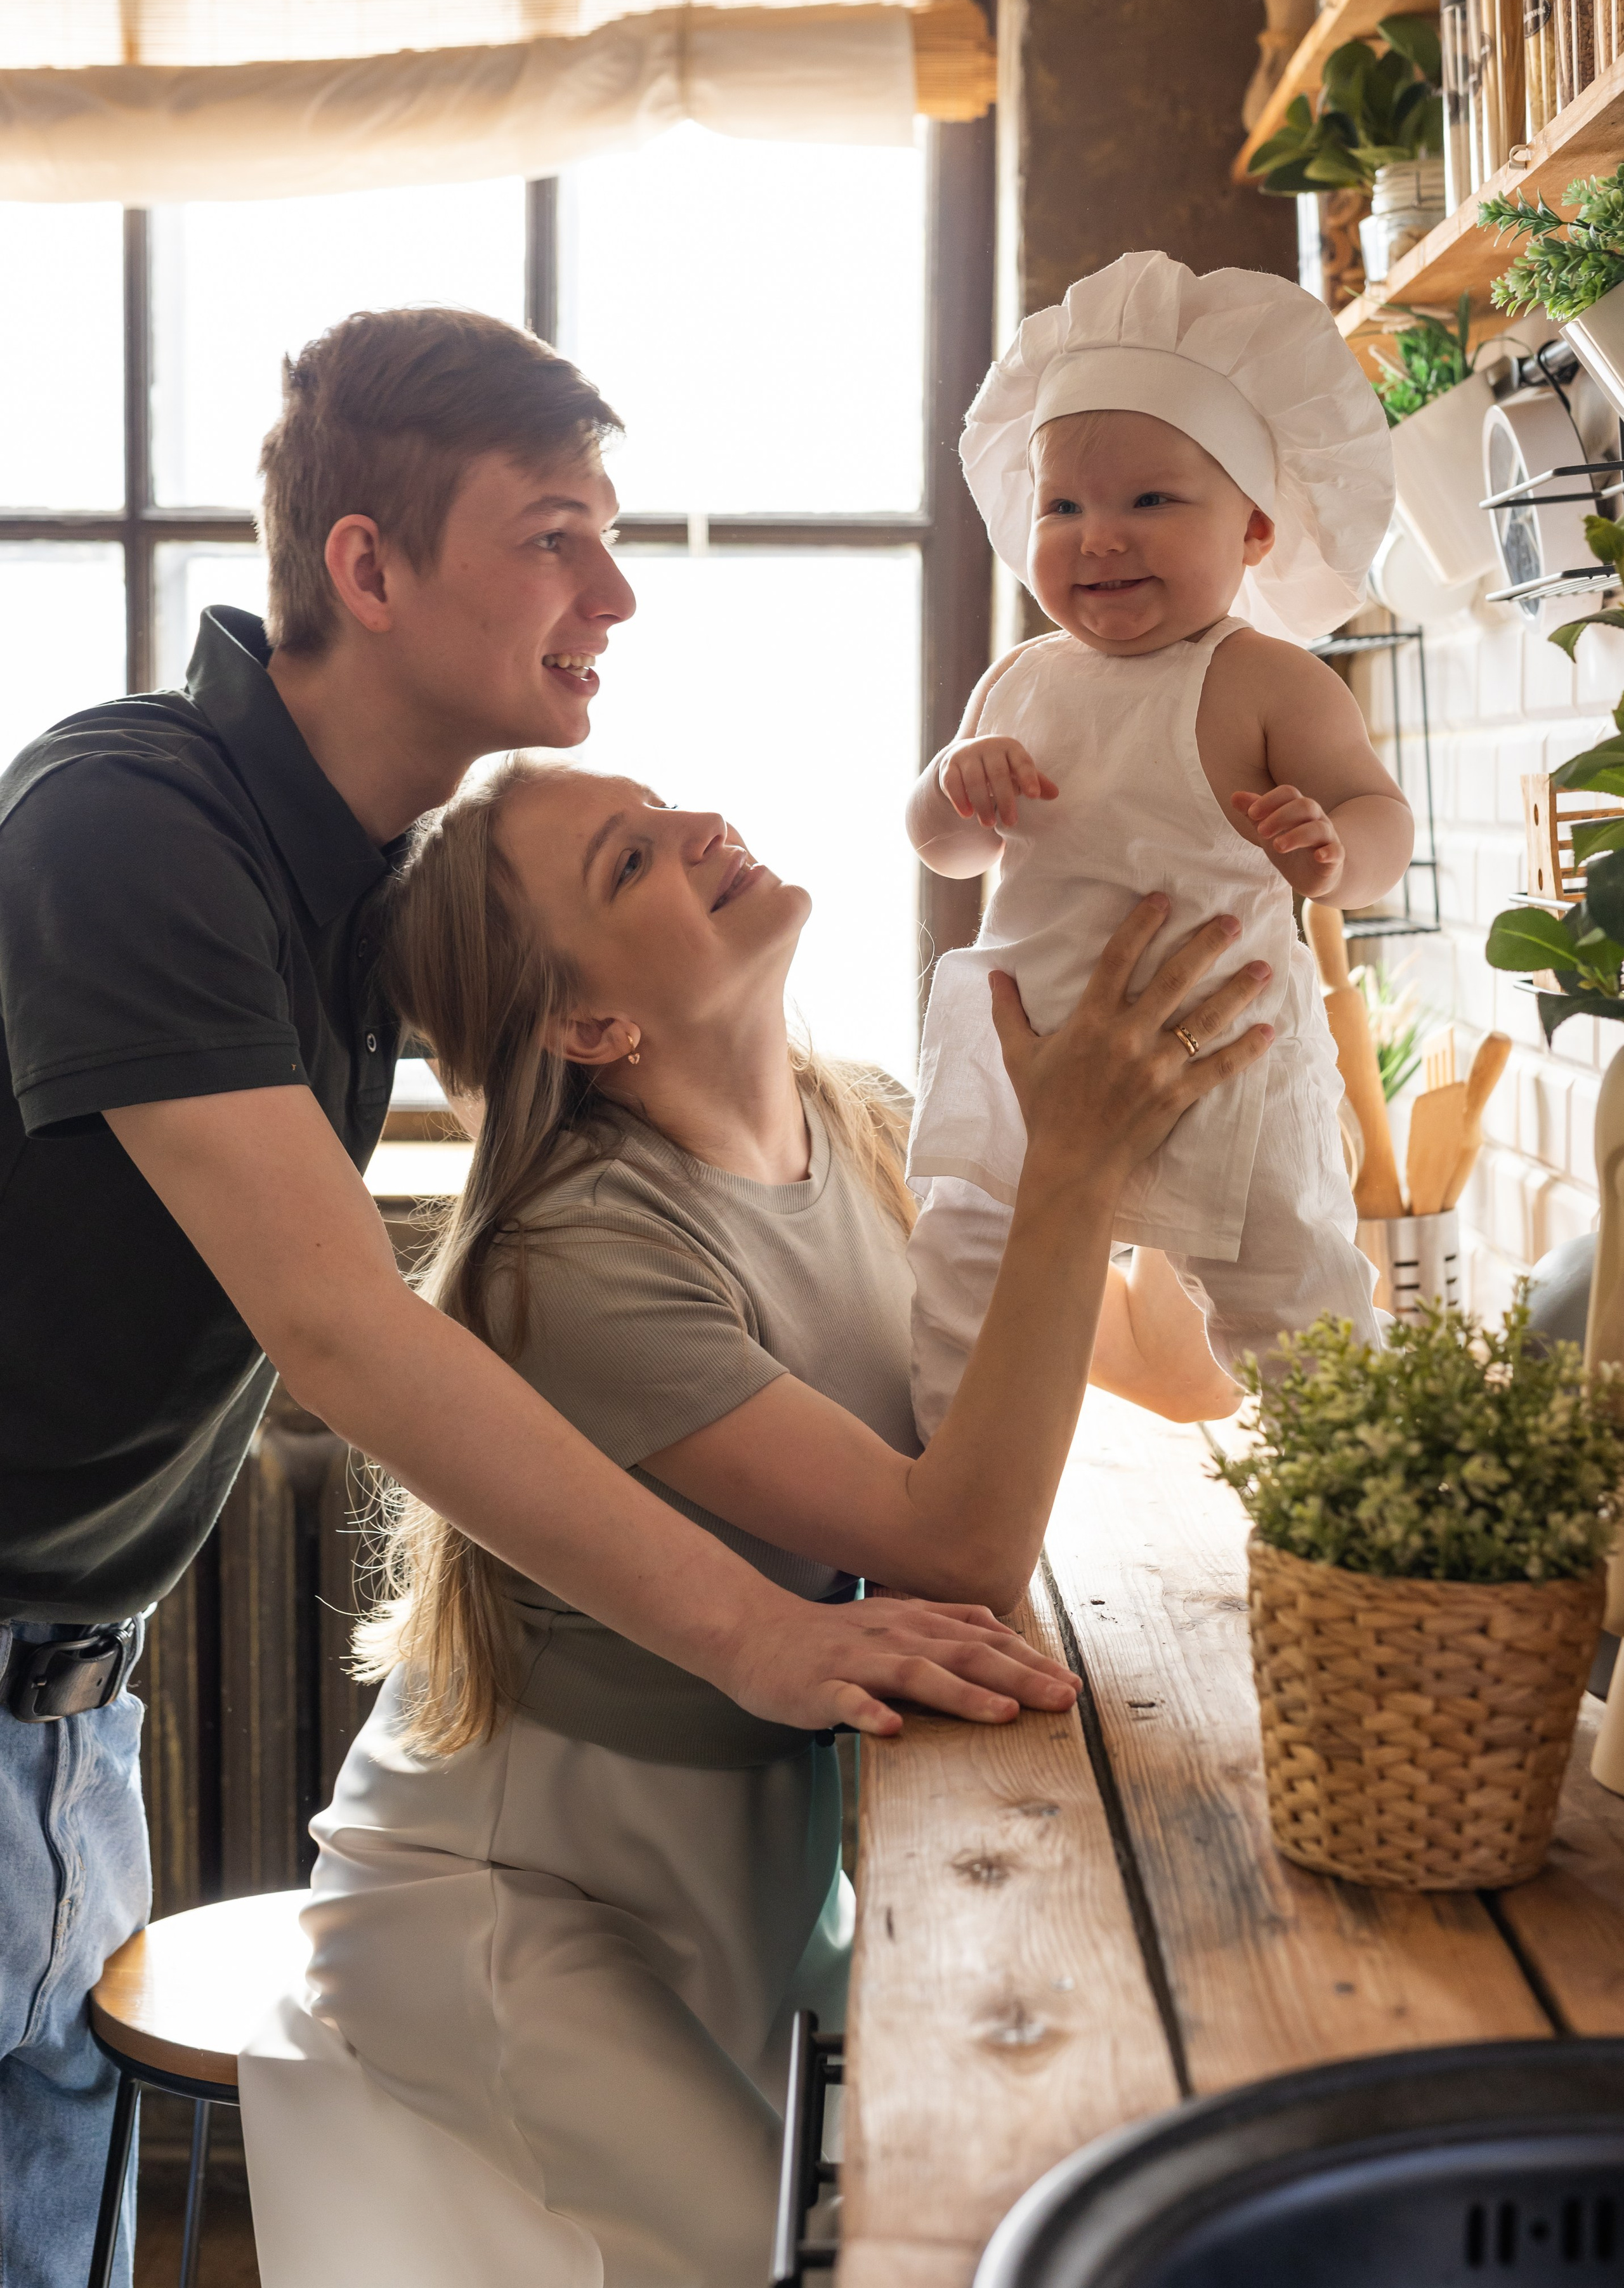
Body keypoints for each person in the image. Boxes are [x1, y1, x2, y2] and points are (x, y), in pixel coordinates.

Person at [0, 306, 1079, 2288]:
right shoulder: (130, 820)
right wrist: (757, 1633)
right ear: (367, 568)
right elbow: (340, 1328)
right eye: (555, 534)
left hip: (66, 1693)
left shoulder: (349, 876)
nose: (614, 591)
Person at [237, 750, 1273, 2288]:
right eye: (628, 860)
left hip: (738, 1866)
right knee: (811, 2260)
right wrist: (1069, 1154)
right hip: (505, 1910)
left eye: (660, 809)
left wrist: (1198, 1111)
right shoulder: (573, 1256)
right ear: (590, 1027)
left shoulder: (861, 1124)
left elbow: (1171, 1370)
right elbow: (959, 1544)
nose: (695, 828)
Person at [903, 249, 1413, 1439]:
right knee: (962, 1292)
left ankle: (1359, 1523)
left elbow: (1379, 815)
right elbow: (947, 854)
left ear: (1253, 530)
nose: (1099, 538)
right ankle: (953, 1528)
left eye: (1150, 501)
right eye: (1064, 507)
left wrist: (1333, 852)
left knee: (1293, 1300)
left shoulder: (1268, 681)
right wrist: (949, 787)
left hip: (1218, 1051)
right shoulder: (1020, 679)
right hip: (1030, 1057)